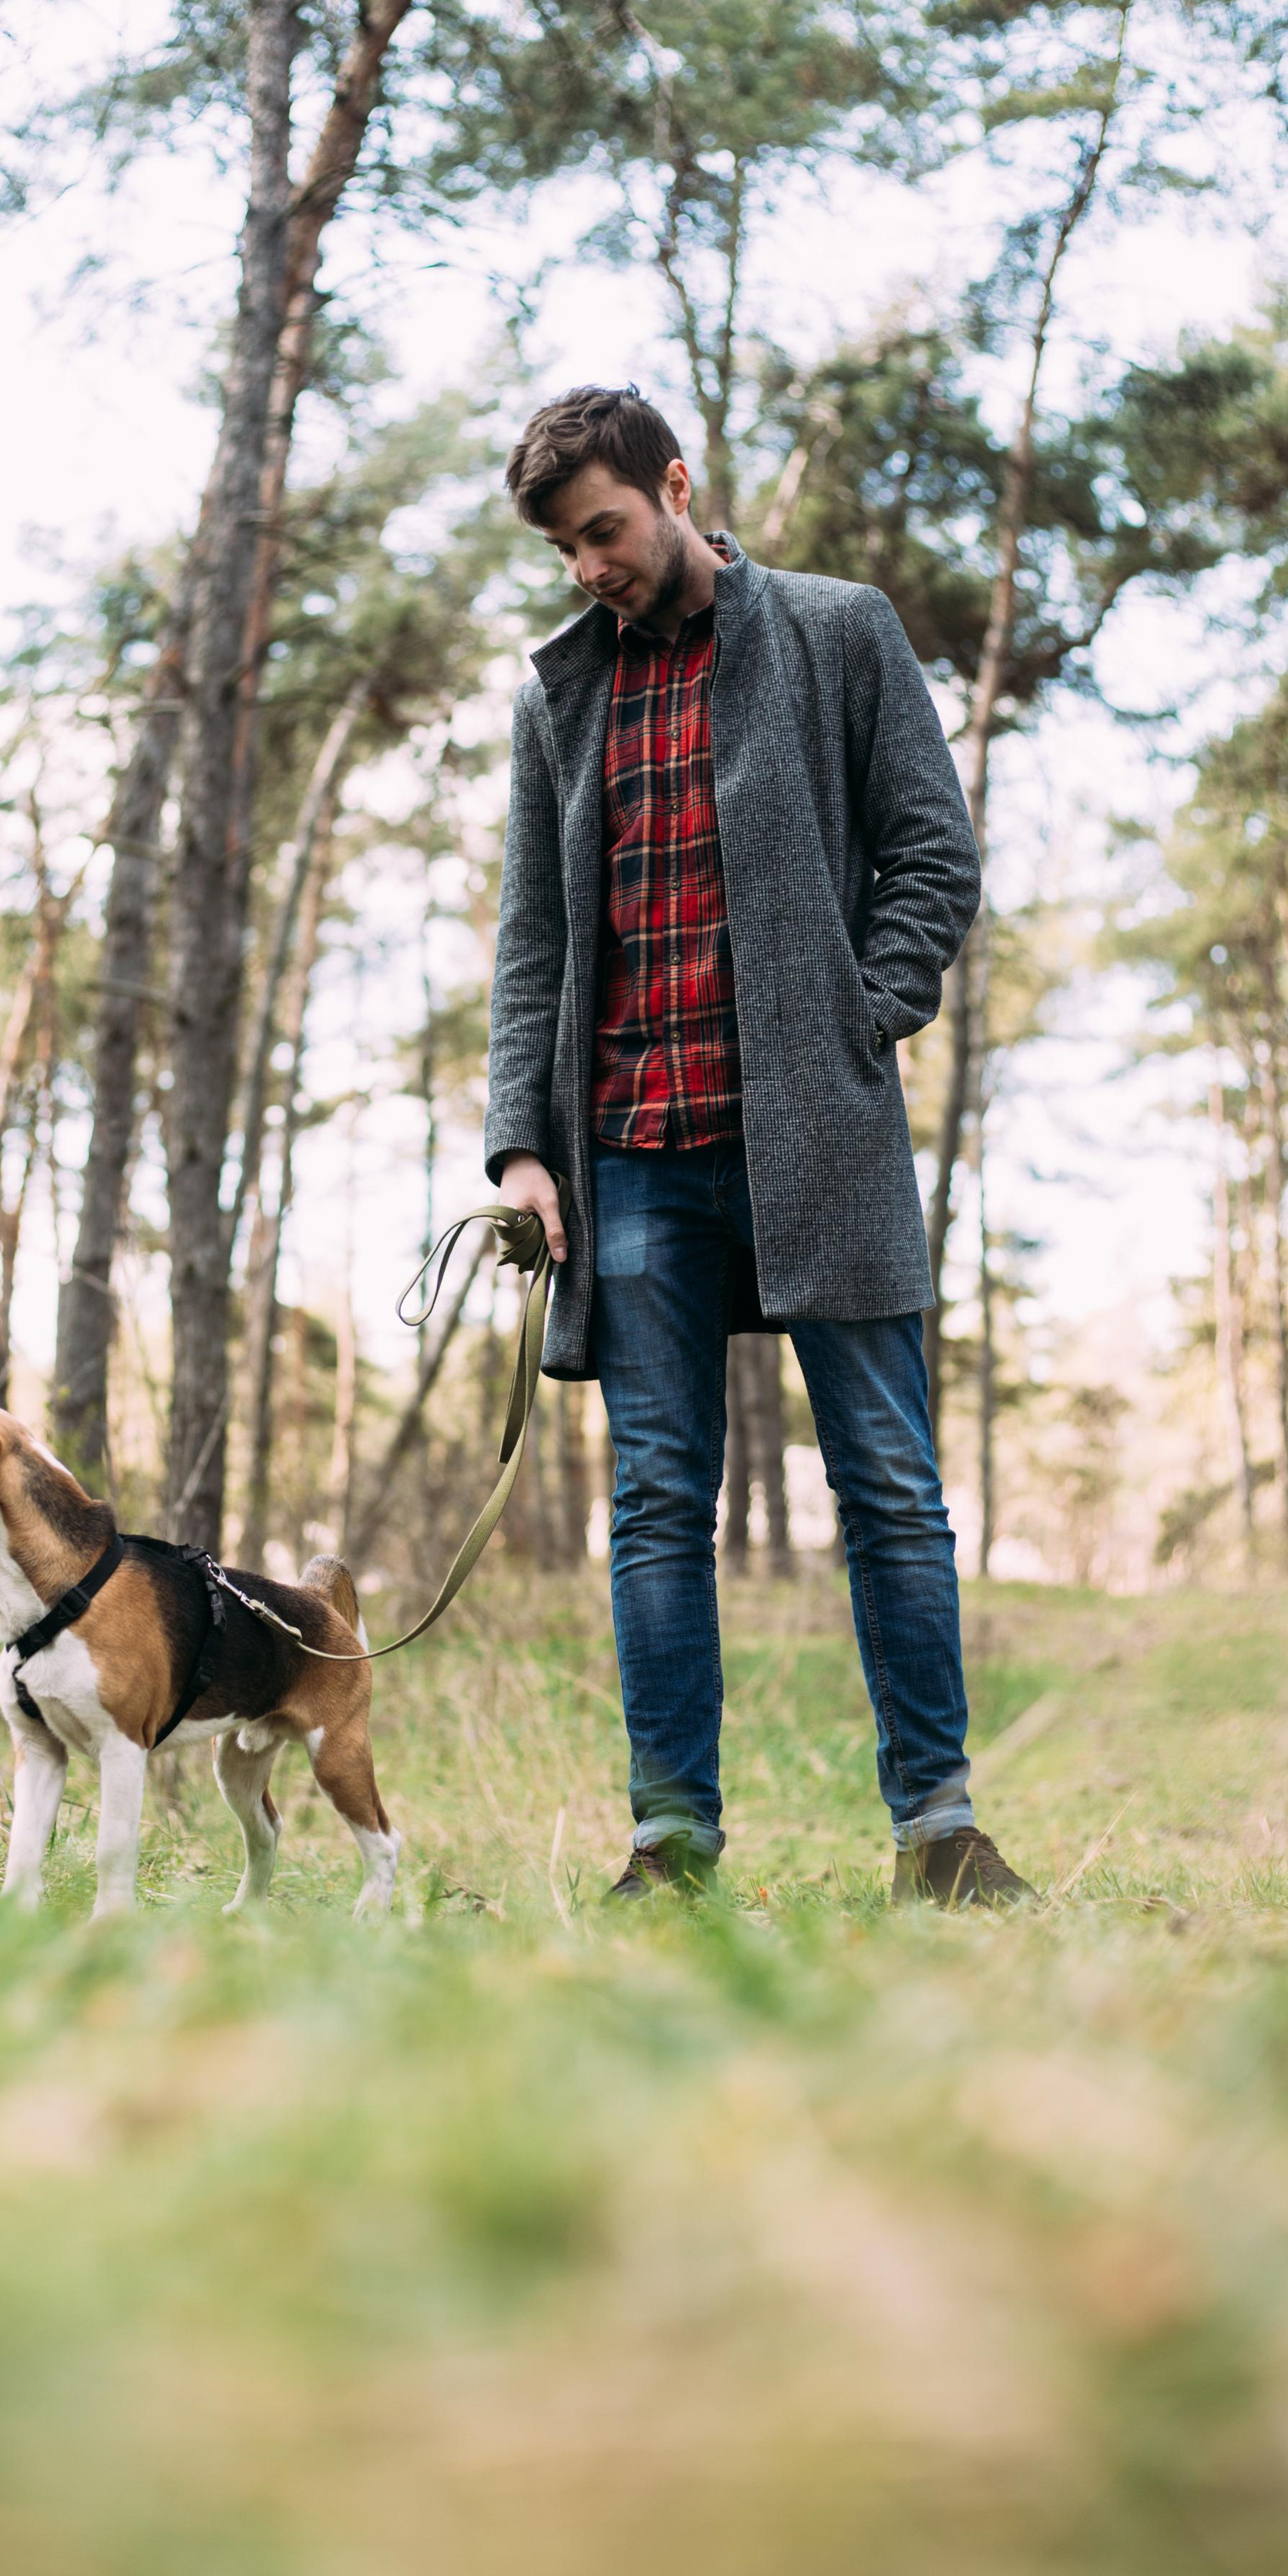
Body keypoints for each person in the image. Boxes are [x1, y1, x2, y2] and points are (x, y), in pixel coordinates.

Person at [484, 383, 1035, 1907]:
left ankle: (939, 1834)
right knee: (658, 1504)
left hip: (817, 1132)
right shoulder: (556, 698)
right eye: (563, 549)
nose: (588, 566)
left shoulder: (837, 631)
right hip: (630, 1154)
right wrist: (520, 1147)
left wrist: (862, 1015)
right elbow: (533, 944)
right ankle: (670, 1849)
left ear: (673, 487)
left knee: (890, 1485)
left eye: (603, 530)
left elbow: (931, 850)